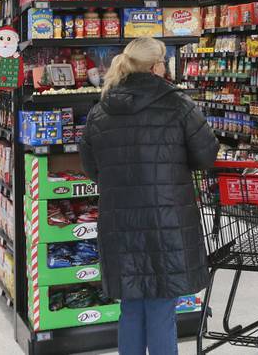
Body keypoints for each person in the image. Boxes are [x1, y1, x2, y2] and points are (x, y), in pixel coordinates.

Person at [79, 37, 219, 354]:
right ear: (158, 66)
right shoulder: (179, 104)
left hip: (120, 222)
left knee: (130, 308)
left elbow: (91, 166)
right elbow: (206, 154)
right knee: (161, 309)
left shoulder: (102, 110)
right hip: (167, 220)